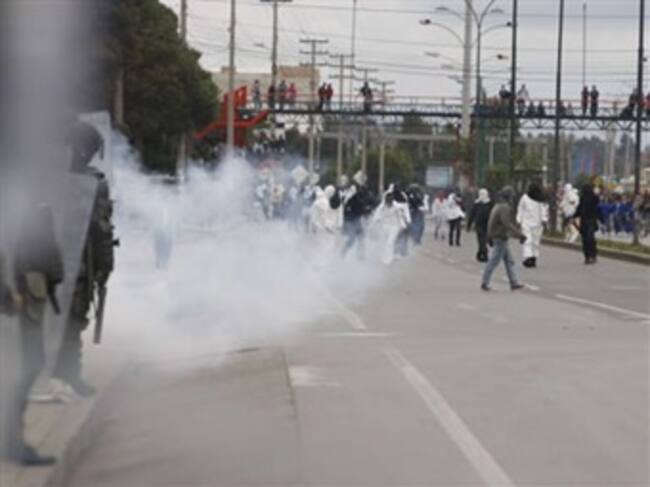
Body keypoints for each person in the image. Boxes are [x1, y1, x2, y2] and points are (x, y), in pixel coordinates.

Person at [53, 122, 115, 397]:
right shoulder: (93, 184)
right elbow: (101, 230)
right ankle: (67, 373)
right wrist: (105, 265)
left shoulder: (45, 178)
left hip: (44, 260)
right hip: (74, 262)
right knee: (73, 319)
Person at [8, 205, 64, 466]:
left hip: (21, 294)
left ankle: (11, 439)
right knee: (26, 365)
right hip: (21, 297)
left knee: (29, 364)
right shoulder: (31, 210)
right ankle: (12, 441)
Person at [481, 187, 526, 291]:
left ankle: (513, 282)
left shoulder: (497, 206)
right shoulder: (504, 208)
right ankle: (485, 282)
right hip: (500, 237)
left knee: (509, 261)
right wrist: (520, 235)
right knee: (494, 260)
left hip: (498, 236)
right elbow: (507, 224)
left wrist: (489, 236)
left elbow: (493, 223)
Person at [374, 185, 411, 264]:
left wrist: (404, 225)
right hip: (384, 226)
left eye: (390, 200)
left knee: (390, 243)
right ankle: (383, 255)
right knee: (382, 242)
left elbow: (401, 217)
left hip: (394, 227)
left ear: (392, 200)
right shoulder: (382, 206)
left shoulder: (397, 207)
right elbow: (377, 214)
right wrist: (375, 222)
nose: (389, 202)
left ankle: (389, 258)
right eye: (387, 200)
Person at [516, 182, 549, 268]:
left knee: (535, 242)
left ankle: (533, 257)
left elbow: (544, 209)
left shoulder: (540, 198)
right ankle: (528, 257)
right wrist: (519, 220)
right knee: (528, 240)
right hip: (527, 223)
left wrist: (544, 219)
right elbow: (520, 208)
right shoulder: (525, 197)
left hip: (537, 224)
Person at [341, 179, 375, 259]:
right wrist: (366, 210)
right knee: (353, 238)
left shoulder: (358, 198)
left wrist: (367, 210)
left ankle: (359, 255)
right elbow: (358, 208)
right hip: (350, 221)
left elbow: (362, 207)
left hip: (356, 220)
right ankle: (343, 252)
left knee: (361, 237)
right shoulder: (353, 199)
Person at [574, 183, 603, 264]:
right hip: (589, 221)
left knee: (587, 239)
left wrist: (575, 216)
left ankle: (589, 256)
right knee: (589, 239)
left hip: (587, 221)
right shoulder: (587, 198)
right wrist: (601, 219)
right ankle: (590, 256)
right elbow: (597, 209)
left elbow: (580, 208)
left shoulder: (592, 198)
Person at [467, 188, 493, 262]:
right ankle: (484, 253)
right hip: (479, 225)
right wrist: (469, 224)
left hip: (487, 224)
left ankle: (480, 253)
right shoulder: (477, 203)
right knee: (481, 240)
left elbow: (493, 214)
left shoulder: (490, 203)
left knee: (485, 240)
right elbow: (472, 214)